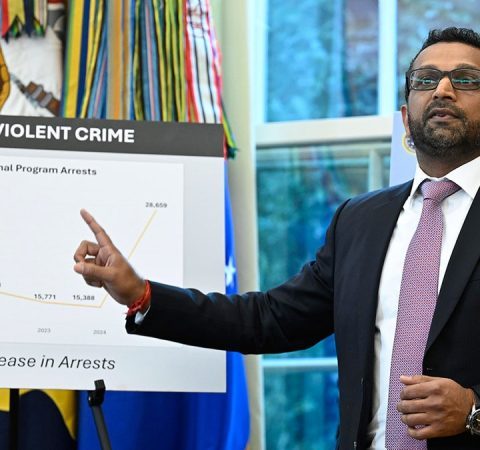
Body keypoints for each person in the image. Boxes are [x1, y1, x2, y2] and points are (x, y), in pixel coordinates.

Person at [74, 27, 480, 449]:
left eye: (466, 79)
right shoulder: (360, 221)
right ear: (406, 117)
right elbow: (267, 319)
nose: (443, 90)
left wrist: (473, 412)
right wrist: (141, 294)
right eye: (425, 79)